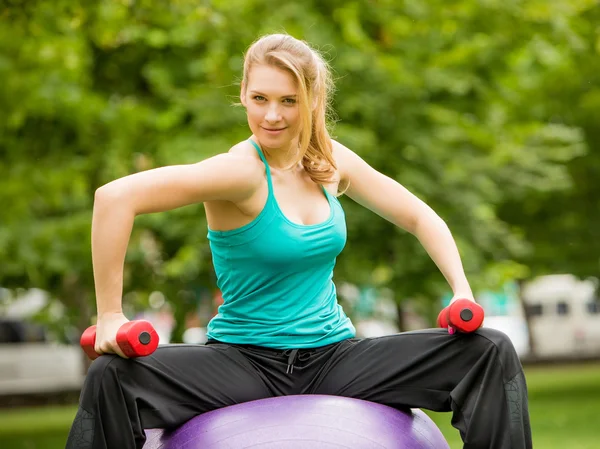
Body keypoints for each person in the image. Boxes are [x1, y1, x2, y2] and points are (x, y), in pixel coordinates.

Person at [65, 33, 532, 449]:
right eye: (259, 98)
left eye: (288, 100)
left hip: (335, 357)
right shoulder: (239, 171)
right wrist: (109, 314)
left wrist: (462, 289)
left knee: (488, 351)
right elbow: (114, 199)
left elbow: (418, 215)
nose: (271, 115)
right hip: (242, 364)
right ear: (243, 97)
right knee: (111, 377)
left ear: (311, 99)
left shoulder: (330, 162)